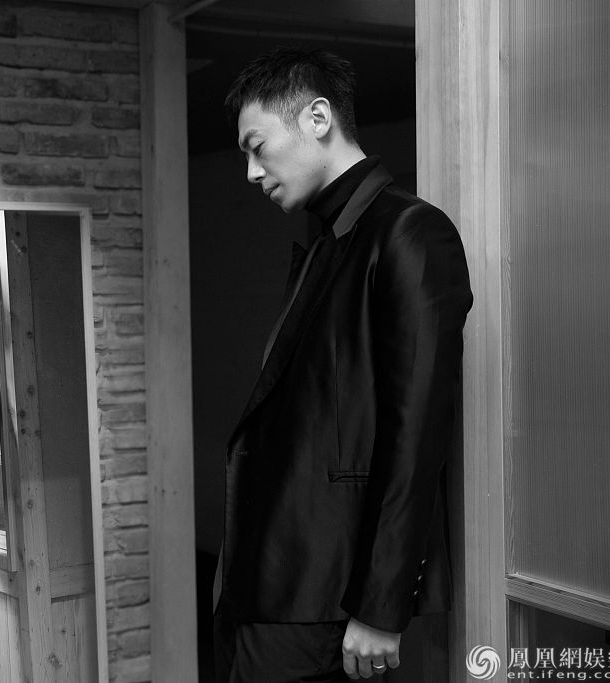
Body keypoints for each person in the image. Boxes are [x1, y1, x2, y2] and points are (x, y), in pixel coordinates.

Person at [214, 48, 473, 682]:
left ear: (318, 118)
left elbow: (417, 436)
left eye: (257, 147)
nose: (251, 172)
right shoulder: (330, 239)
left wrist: (381, 606)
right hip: (269, 584)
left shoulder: (410, 231)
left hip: (327, 596)